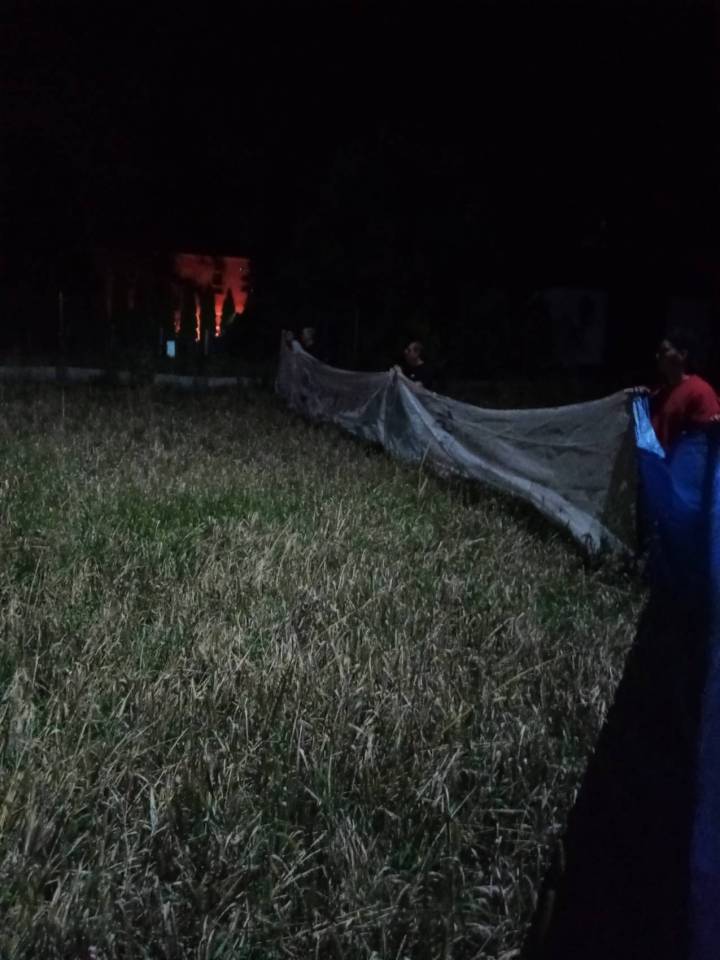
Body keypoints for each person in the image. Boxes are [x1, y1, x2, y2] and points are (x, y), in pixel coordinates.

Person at [629, 329, 720, 451]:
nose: (658, 356)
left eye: (664, 351)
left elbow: (707, 439)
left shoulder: (699, 391)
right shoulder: (659, 392)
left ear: (682, 354)